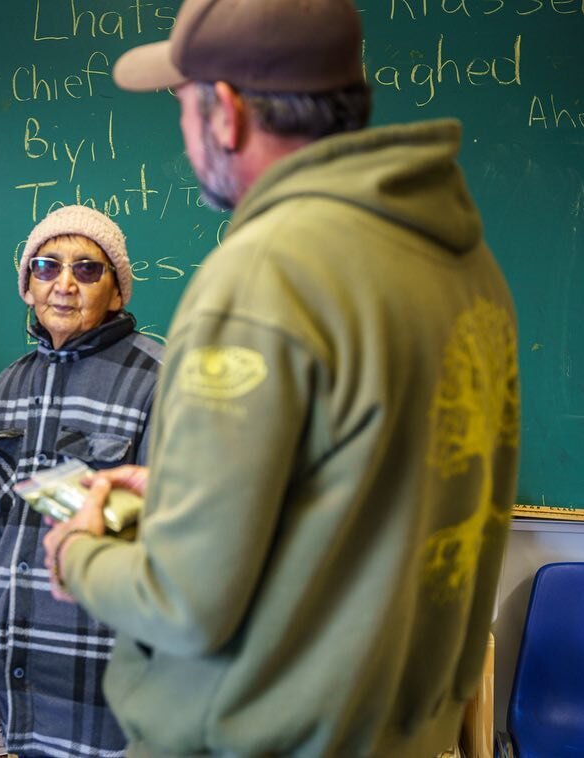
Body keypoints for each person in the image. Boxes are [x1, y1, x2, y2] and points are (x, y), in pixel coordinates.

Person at [42, 1, 520, 756]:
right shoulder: (465, 264)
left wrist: (78, 553)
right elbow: (366, 498)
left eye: (184, 104)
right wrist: (186, 497)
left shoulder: (266, 270)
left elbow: (186, 602)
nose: (184, 131)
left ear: (225, 112)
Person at [0, 204, 163, 757]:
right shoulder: (9, 386)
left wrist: (88, 506)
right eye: (46, 266)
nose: (64, 284)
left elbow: (181, 538)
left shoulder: (160, 379)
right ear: (28, 286)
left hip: (114, 685)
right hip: (19, 686)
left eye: (87, 269)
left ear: (116, 292)